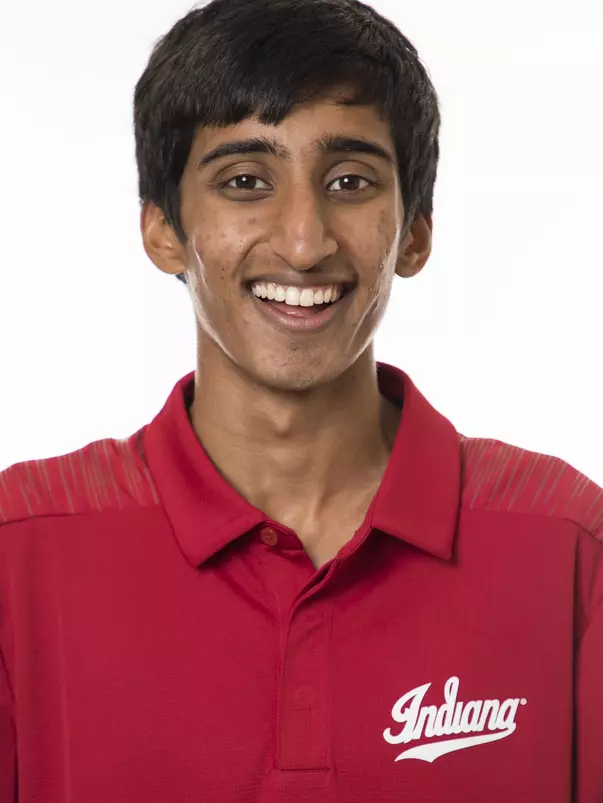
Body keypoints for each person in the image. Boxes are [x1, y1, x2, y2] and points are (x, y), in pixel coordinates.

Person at [0, 0, 601, 800]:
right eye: (245, 181)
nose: (303, 240)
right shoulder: (22, 552)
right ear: (162, 231)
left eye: (349, 182)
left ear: (413, 231)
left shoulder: (564, 543)